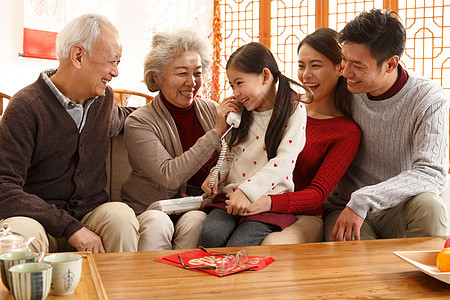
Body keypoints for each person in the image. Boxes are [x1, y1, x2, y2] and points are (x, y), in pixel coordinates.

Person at [0, 14, 140, 253]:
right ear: (78, 56)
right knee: (19, 235)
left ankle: (116, 291)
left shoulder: (103, 100)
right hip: (39, 221)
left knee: (120, 217)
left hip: (91, 215)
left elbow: (130, 116)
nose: (115, 72)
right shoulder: (27, 106)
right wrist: (69, 228)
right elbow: (4, 185)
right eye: (112, 61)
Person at [323, 8, 449, 242]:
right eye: (344, 60)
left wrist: (364, 199)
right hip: (344, 206)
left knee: (431, 207)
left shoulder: (428, 98)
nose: (346, 72)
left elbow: (432, 172)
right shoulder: (344, 88)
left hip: (397, 207)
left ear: (391, 64)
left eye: (358, 65)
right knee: (359, 266)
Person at [121, 30, 237, 251]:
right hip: (153, 209)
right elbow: (169, 175)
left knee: (197, 221)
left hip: (196, 208)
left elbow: (233, 157)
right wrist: (215, 133)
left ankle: (184, 284)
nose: (192, 82)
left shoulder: (212, 109)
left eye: (197, 73)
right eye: (182, 73)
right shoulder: (139, 122)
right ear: (157, 77)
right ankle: (152, 284)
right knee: (158, 224)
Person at [243, 28, 361, 245]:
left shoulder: (346, 131)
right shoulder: (283, 106)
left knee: (272, 246)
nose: (306, 75)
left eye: (315, 65)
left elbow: (317, 195)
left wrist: (268, 202)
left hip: (302, 215)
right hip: (250, 199)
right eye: (301, 65)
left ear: (339, 68)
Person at [197, 42, 312, 247]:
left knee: (239, 246)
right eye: (232, 85)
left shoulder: (295, 111)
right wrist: (216, 175)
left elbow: (285, 160)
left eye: (240, 83)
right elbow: (231, 155)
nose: (236, 91)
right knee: (211, 236)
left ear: (265, 76)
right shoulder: (242, 113)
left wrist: (247, 192)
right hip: (232, 198)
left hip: (265, 202)